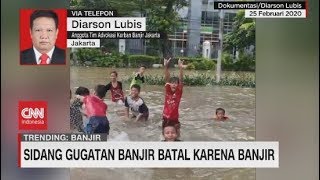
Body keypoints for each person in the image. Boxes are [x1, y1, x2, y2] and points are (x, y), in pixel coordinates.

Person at [162, 58, 184, 137]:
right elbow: (167, 78)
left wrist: (181, 68)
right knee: (164, 135)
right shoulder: (168, 91)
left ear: (178, 85)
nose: (173, 84)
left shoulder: (179, 92)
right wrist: (166, 66)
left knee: (177, 135)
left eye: (175, 83)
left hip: (174, 118)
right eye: (172, 83)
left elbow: (181, 80)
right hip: (165, 117)